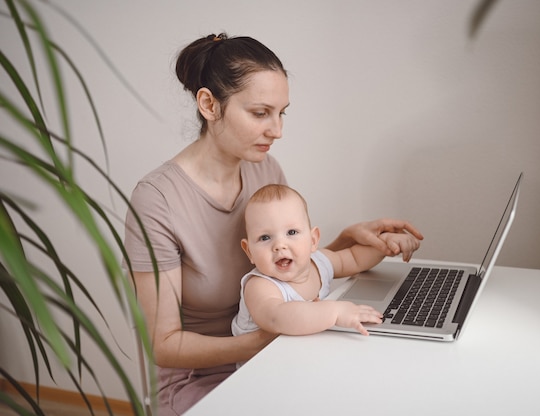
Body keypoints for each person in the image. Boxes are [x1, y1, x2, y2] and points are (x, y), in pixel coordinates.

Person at [124, 32, 423, 416]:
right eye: (260, 113)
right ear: (209, 104)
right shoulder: (157, 200)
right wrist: (268, 338)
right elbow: (163, 345)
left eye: (282, 113)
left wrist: (346, 242)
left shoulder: (265, 170)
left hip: (274, 351)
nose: (277, 130)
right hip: (200, 378)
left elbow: (282, 270)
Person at [232, 184, 420, 346]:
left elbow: (354, 258)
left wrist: (386, 244)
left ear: (313, 240)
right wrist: (335, 312)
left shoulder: (319, 262)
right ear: (249, 252)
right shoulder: (260, 285)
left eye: (291, 232)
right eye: (265, 237)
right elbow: (277, 317)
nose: (280, 245)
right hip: (262, 367)